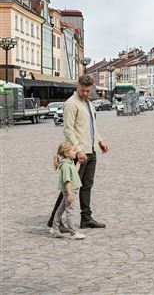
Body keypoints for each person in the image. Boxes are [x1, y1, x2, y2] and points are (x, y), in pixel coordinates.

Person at [47, 75, 110, 231]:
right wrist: (78, 150)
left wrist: (100, 141)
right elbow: (68, 130)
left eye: (88, 91)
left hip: (91, 149)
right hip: (78, 153)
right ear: (77, 87)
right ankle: (54, 219)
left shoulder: (89, 103)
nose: (86, 93)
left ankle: (86, 218)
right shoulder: (71, 103)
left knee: (87, 185)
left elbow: (92, 125)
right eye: (83, 90)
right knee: (70, 187)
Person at [50, 141, 86, 240]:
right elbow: (67, 180)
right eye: (73, 150)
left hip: (71, 191)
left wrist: (79, 163)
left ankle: (55, 228)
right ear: (66, 153)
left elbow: (74, 172)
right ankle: (73, 233)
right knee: (70, 211)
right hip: (71, 191)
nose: (75, 152)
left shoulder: (69, 163)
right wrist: (70, 194)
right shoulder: (65, 166)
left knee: (61, 208)